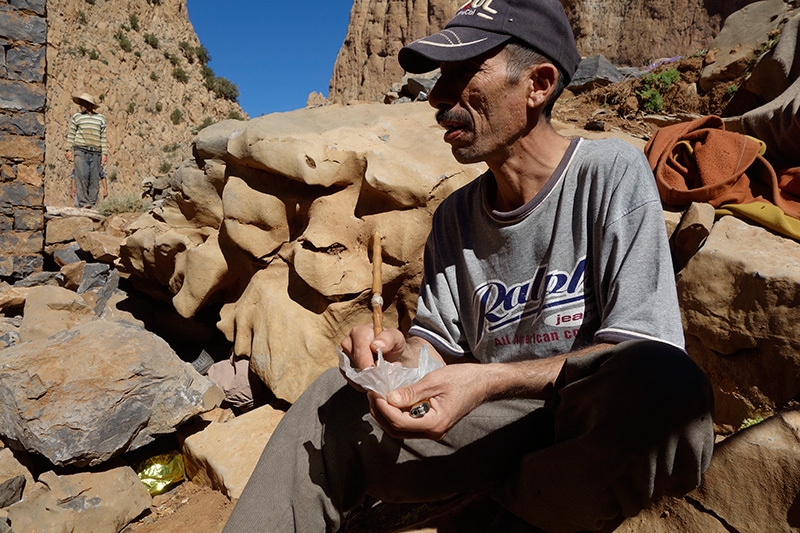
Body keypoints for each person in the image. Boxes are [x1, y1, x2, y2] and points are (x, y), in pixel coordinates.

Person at [224, 1, 715, 531]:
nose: (437, 98)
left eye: (463, 74)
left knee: (667, 386)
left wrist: (485, 382)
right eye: (440, 79)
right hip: (489, 428)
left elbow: (641, 351)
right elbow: (440, 351)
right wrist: (402, 356)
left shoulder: (610, 174)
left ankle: (503, 512)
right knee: (329, 404)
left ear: (538, 84)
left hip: (582, 428)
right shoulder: (457, 215)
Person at [65, 92, 108, 208]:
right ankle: (84, 203)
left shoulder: (100, 118)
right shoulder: (77, 117)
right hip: (80, 150)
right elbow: (71, 134)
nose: (80, 106)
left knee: (94, 179)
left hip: (96, 153)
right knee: (81, 177)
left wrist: (104, 154)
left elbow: (103, 137)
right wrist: (68, 149)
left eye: (82, 103)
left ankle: (92, 204)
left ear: (89, 105)